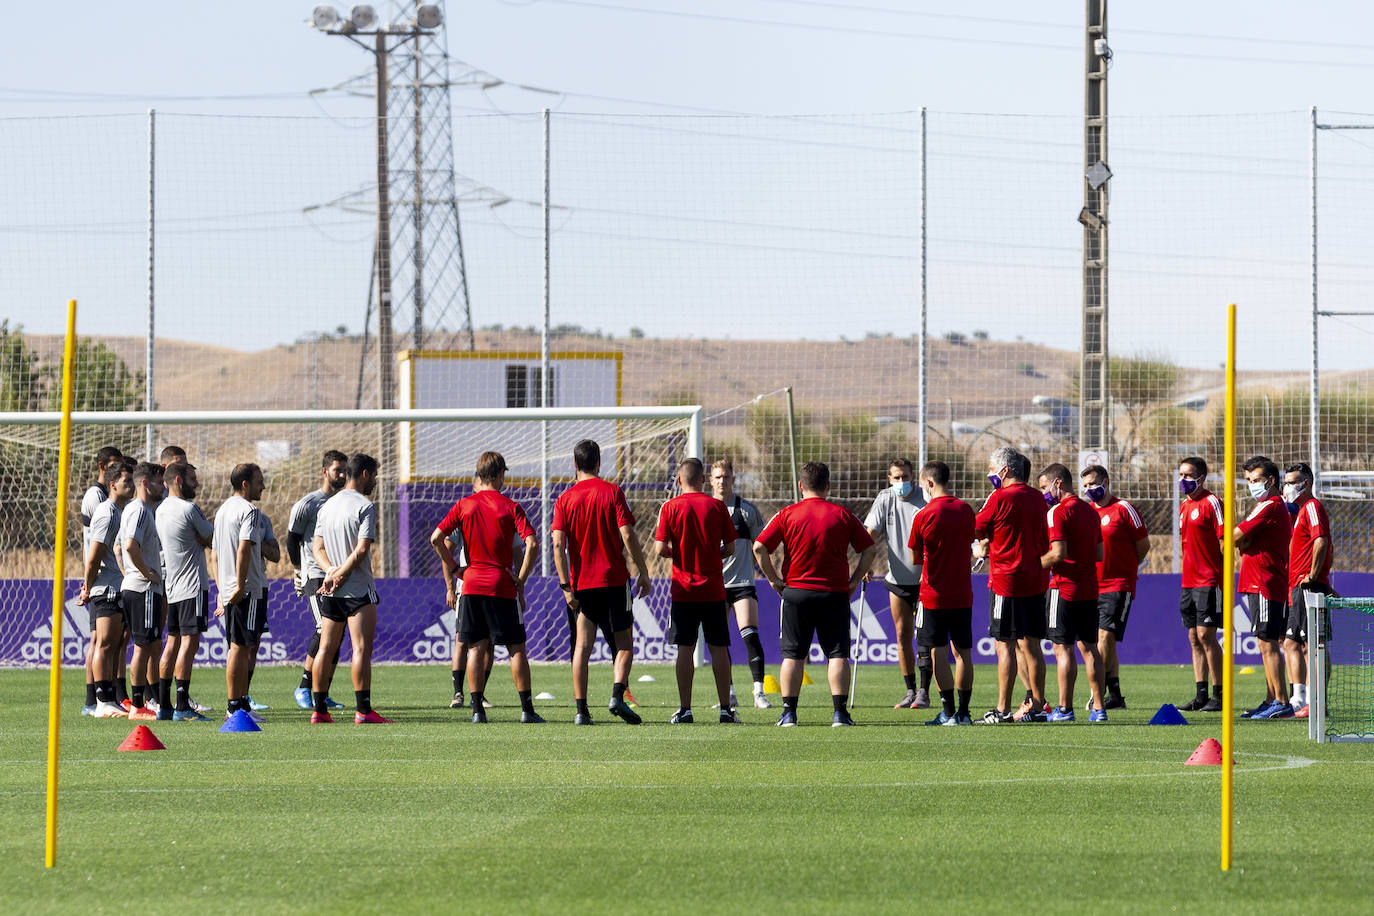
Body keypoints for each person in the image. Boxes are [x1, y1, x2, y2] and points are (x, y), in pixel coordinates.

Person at [753, 461, 877, 727]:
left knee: (793, 655)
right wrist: (854, 581)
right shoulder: (842, 515)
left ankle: (789, 714)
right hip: (834, 593)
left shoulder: (787, 514)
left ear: (801, 486)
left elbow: (760, 547)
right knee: (837, 654)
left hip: (797, 592)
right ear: (828, 486)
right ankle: (840, 714)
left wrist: (773, 579)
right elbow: (869, 550)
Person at [430, 451, 543, 724]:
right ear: (497, 474)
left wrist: (457, 571)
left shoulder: (464, 505)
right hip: (501, 586)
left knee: (476, 648)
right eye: (504, 473)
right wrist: (522, 578)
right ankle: (527, 710)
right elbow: (532, 543)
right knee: (516, 648)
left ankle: (477, 710)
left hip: (471, 586)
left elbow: (436, 538)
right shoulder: (510, 506)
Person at [551, 439, 652, 726]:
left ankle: (582, 711)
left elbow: (558, 545)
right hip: (614, 580)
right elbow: (628, 534)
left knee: (582, 647)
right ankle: (617, 695)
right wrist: (643, 571)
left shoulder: (564, 499)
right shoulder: (612, 492)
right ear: (599, 462)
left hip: (582, 583)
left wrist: (565, 586)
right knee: (624, 645)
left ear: (574, 464)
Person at [656, 458, 739, 724]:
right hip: (714, 590)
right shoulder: (716, 506)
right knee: (718, 648)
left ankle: (685, 710)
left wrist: (678, 554)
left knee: (685, 649)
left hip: (684, 592)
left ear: (679, 480)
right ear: (704, 480)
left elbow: (659, 550)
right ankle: (726, 709)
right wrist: (712, 555)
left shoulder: (670, 507)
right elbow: (730, 548)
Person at [312, 453, 392, 724]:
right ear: (366, 474)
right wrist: (341, 574)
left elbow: (317, 548)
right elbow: (361, 550)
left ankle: (319, 711)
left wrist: (330, 572)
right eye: (376, 476)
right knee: (360, 649)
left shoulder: (327, 506)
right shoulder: (365, 505)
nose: (376, 482)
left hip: (332, 591)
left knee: (325, 649)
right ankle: (363, 711)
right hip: (357, 589)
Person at [973, 447, 1050, 724]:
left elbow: (976, 527)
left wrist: (985, 543)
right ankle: (1039, 706)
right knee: (1032, 645)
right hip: (1035, 579)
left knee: (1003, 645)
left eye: (993, 469)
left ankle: (1002, 709)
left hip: (1006, 581)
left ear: (1005, 471)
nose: (990, 474)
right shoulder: (1039, 499)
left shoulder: (999, 497)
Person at [906, 460, 976, 725]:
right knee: (963, 653)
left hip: (933, 595)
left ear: (929, 483)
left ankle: (948, 712)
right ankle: (965, 712)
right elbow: (972, 542)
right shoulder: (966, 510)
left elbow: (915, 557)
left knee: (937, 652)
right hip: (962, 593)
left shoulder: (923, 515)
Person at [1037, 463, 1106, 723]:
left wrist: (1031, 565)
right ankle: (1099, 709)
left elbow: (1057, 554)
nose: (1043, 493)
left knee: (1062, 649)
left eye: (1044, 487)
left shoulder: (1057, 512)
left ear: (1057, 483)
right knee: (1090, 649)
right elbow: (1099, 553)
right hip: (1089, 587)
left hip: (1063, 587)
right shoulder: (1091, 511)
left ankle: (1064, 709)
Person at [1080, 464, 1149, 710]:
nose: (1090, 489)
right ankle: (1116, 696)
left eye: (1093, 484)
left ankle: (1095, 691)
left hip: (1118, 583)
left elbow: (1143, 546)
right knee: (1100, 641)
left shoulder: (1124, 509)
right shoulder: (1086, 511)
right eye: (1085, 485)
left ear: (1106, 482)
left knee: (1105, 637)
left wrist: (1128, 569)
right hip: (1091, 586)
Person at [863, 457, 929, 709]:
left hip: (925, 580)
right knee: (902, 636)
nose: (902, 482)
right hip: (897, 580)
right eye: (897, 478)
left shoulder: (926, 497)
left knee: (925, 638)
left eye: (906, 477)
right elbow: (870, 534)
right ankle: (910, 690)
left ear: (914, 477)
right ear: (890, 479)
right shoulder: (885, 498)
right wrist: (866, 563)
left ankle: (924, 690)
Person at [287, 450, 348, 711]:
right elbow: (292, 539)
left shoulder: (346, 502)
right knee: (324, 628)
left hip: (339, 575)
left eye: (345, 470)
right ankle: (303, 686)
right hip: (315, 574)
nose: (343, 475)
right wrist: (299, 570)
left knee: (337, 634)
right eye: (337, 470)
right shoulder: (308, 504)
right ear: (325, 471)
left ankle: (322, 691)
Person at [710, 458, 773, 709]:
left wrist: (772, 577)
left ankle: (759, 692)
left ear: (733, 479)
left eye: (726, 476)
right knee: (719, 642)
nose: (722, 481)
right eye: (717, 477)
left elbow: (761, 546)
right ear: (710, 480)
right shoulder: (705, 509)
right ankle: (729, 694)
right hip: (714, 586)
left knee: (750, 635)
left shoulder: (747, 510)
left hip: (743, 583)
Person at [154, 460, 213, 721]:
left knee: (172, 643)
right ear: (178, 480)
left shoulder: (160, 509)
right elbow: (212, 537)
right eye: (192, 478)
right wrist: (201, 539)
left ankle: (164, 706)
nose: (196, 484)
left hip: (173, 586)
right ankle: (182, 706)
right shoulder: (189, 509)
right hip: (192, 584)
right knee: (189, 644)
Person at [1236, 456, 1293, 719]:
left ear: (1271, 481)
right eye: (1248, 480)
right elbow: (1243, 542)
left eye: (1256, 480)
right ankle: (1271, 698)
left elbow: (1236, 536)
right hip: (1255, 581)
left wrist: (1236, 540)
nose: (1251, 485)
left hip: (1265, 582)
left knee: (1268, 642)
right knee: (1263, 642)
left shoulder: (1269, 505)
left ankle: (1282, 701)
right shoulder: (1262, 506)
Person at [76, 461, 134, 718]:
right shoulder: (107, 513)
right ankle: (101, 701)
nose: (131, 486)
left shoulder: (119, 512)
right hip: (106, 588)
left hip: (115, 586)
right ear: (112, 485)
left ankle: (109, 697)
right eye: (126, 482)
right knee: (104, 645)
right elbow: (93, 556)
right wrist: (88, 586)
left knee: (114, 644)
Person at [214, 463, 270, 720]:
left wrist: (220, 588)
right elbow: (244, 548)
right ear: (245, 484)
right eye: (259, 481)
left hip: (232, 588)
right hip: (247, 590)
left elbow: (214, 554)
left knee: (240, 645)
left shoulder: (222, 510)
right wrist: (239, 584)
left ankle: (240, 705)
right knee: (241, 647)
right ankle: (235, 707)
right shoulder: (249, 511)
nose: (264, 486)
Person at [1283, 462, 1331, 719]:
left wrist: (1313, 576)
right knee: (1291, 641)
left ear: (1306, 483)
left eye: (1292, 482)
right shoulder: (1300, 511)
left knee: (1314, 645)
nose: (1288, 486)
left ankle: (1318, 701)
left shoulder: (1312, 506)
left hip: (1308, 587)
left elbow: (1320, 540)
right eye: (1287, 482)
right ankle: (1298, 698)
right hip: (1296, 587)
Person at [1177, 457, 1225, 712]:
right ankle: (1201, 694)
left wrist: (1222, 572)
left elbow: (1224, 540)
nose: (1183, 480)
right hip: (1188, 581)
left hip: (1208, 579)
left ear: (1202, 478)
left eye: (1188, 475)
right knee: (1194, 637)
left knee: (1207, 635)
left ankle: (1219, 694)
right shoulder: (1184, 507)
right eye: (1181, 474)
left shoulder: (1213, 503)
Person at [119, 462, 166, 721]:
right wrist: (146, 572)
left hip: (137, 587)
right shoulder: (139, 511)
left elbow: (119, 547)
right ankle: (138, 705)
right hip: (143, 588)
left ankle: (146, 701)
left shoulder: (135, 510)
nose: (163, 487)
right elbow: (129, 546)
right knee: (143, 646)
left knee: (148, 645)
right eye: (159, 482)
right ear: (145, 483)